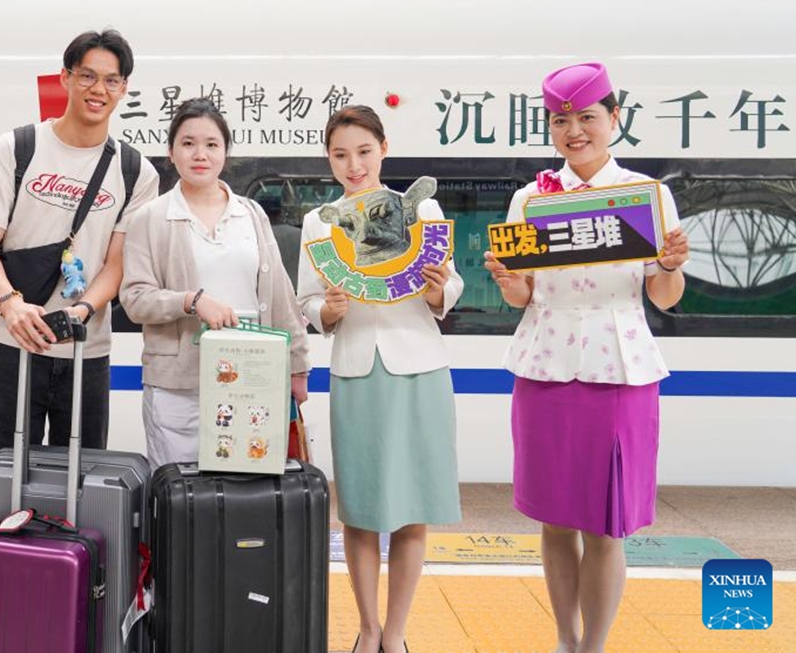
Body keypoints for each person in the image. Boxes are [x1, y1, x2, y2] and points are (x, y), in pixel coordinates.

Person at [483, 62, 689, 653]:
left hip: (618, 370)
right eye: (561, 120)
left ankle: (594, 646)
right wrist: (505, 279)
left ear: (614, 119)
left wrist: (671, 264)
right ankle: (565, 639)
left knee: (606, 523)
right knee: (553, 520)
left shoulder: (648, 197)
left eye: (587, 118)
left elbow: (663, 296)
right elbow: (525, 297)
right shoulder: (531, 198)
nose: (575, 131)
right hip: (545, 366)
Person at [297, 105, 463, 653]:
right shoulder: (320, 222)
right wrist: (328, 310)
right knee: (362, 512)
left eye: (364, 152)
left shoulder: (423, 208)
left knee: (413, 510)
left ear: (384, 149)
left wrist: (439, 287)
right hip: (356, 369)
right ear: (329, 158)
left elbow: (449, 289)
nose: (354, 165)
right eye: (341, 154)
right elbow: (306, 303)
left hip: (420, 366)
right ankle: (367, 632)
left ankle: (396, 634)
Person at [0, 29, 159, 473]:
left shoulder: (136, 171)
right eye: (87, 75)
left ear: (124, 88)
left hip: (85, 350)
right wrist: (11, 306)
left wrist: (84, 310)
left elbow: (117, 263)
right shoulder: (13, 149)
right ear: (65, 78)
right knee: (0, 475)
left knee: (82, 483)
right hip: (11, 343)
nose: (98, 89)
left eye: (111, 80)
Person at [120, 97, 310, 468]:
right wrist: (190, 301)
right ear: (171, 152)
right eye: (188, 143)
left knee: (246, 485)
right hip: (179, 385)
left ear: (225, 152)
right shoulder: (150, 218)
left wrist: (297, 366)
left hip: (253, 377)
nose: (199, 154)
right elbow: (134, 298)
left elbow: (281, 296)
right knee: (182, 493)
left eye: (211, 144)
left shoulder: (250, 213)